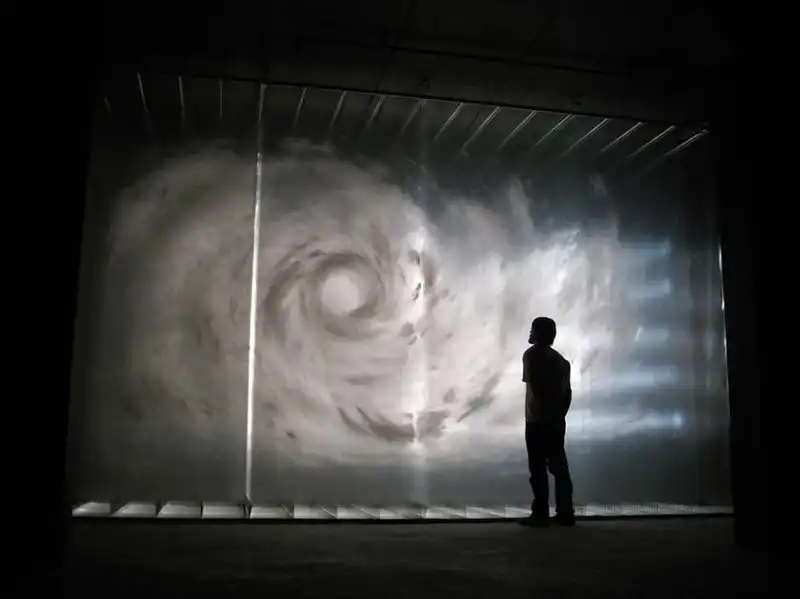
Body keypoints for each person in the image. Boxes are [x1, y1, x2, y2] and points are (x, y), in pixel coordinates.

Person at [520, 316, 575, 527]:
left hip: (536, 421)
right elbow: (568, 393)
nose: (530, 333)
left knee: (537, 468)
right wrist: (559, 414)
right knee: (559, 466)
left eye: (532, 329)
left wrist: (542, 413)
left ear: (537, 333)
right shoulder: (562, 361)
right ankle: (566, 512)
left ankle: (540, 514)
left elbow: (536, 387)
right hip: (556, 421)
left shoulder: (531, 356)